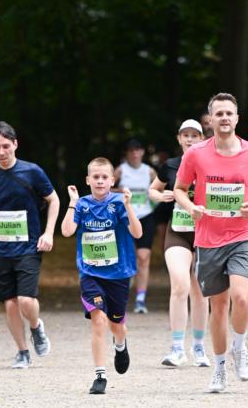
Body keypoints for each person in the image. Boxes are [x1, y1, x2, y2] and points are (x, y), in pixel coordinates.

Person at [174, 93, 248, 392]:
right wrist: (191, 206)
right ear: (210, 119)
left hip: (243, 234)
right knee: (218, 306)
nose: (224, 118)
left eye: (228, 113)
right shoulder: (196, 154)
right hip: (208, 238)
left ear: (237, 118)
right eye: (218, 114)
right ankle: (219, 368)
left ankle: (240, 347)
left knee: (241, 298)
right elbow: (180, 188)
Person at [0, 122, 59, 368]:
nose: (1, 152)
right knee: (9, 303)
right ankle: (22, 352)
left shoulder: (32, 172)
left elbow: (53, 200)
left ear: (15, 144)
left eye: (6, 146)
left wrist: (49, 233)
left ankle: (36, 326)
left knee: (26, 300)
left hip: (29, 246)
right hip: (1, 249)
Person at [60, 157, 142, 394]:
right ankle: (100, 376)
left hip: (118, 275)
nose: (100, 181)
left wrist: (128, 206)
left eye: (104, 177)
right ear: (88, 180)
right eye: (95, 177)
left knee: (117, 325)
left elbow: (137, 233)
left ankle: (120, 344)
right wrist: (73, 203)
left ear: (112, 180)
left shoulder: (118, 203)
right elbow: (66, 231)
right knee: (99, 320)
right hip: (90, 273)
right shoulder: (82, 204)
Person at [149, 119, 210, 367]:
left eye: (195, 135)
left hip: (206, 233)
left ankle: (198, 347)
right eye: (185, 135)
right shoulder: (170, 165)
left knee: (200, 291)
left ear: (203, 138)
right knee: (179, 284)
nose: (190, 139)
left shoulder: (212, 163)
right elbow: (152, 189)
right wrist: (160, 195)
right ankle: (176, 349)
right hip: (178, 231)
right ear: (179, 139)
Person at [114, 139, 157, 313]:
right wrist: (120, 192)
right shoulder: (120, 170)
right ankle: (122, 291)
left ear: (142, 152)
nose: (134, 153)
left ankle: (140, 299)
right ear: (126, 153)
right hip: (125, 216)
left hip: (146, 216)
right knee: (124, 256)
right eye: (131, 150)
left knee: (144, 257)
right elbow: (106, 190)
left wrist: (154, 203)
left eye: (137, 150)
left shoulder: (150, 171)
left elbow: (160, 190)